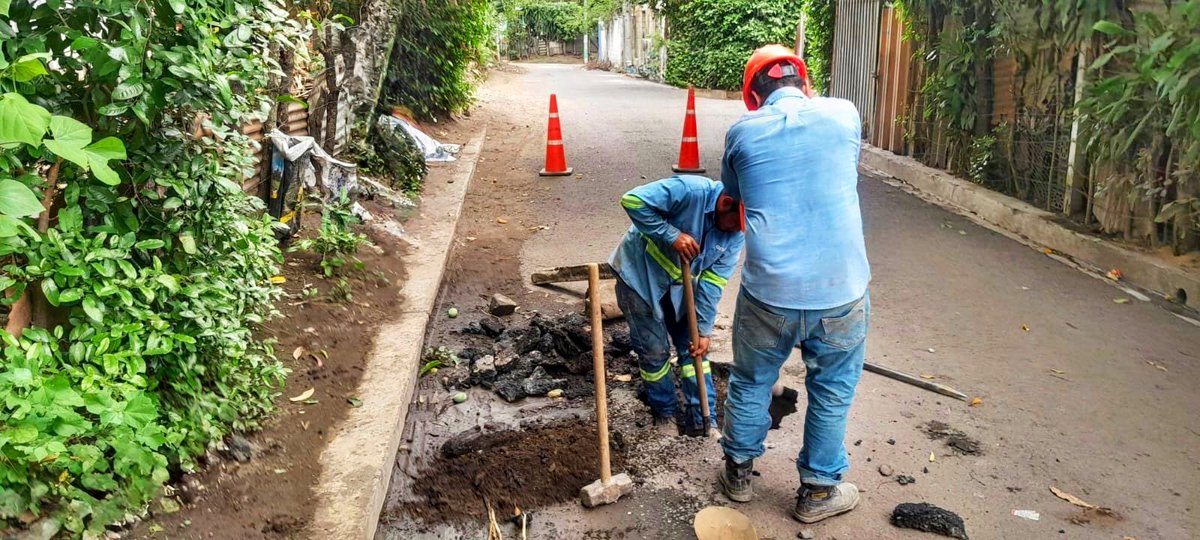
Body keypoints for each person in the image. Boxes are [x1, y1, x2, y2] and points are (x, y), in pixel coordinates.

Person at [716, 45, 871, 524]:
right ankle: (819, 493)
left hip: (769, 293)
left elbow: (732, 199)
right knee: (832, 390)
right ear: (804, 84)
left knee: (751, 379)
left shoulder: (742, 132)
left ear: (752, 96)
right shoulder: (845, 116)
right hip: (841, 291)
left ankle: (739, 474)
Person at [608, 175, 745, 436]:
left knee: (694, 349)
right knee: (655, 351)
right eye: (737, 224)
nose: (739, 231)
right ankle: (665, 413)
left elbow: (713, 283)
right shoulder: (688, 191)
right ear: (725, 203)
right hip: (639, 277)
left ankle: (703, 418)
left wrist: (703, 330)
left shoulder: (736, 235)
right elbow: (632, 200)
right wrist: (670, 235)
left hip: (682, 289)